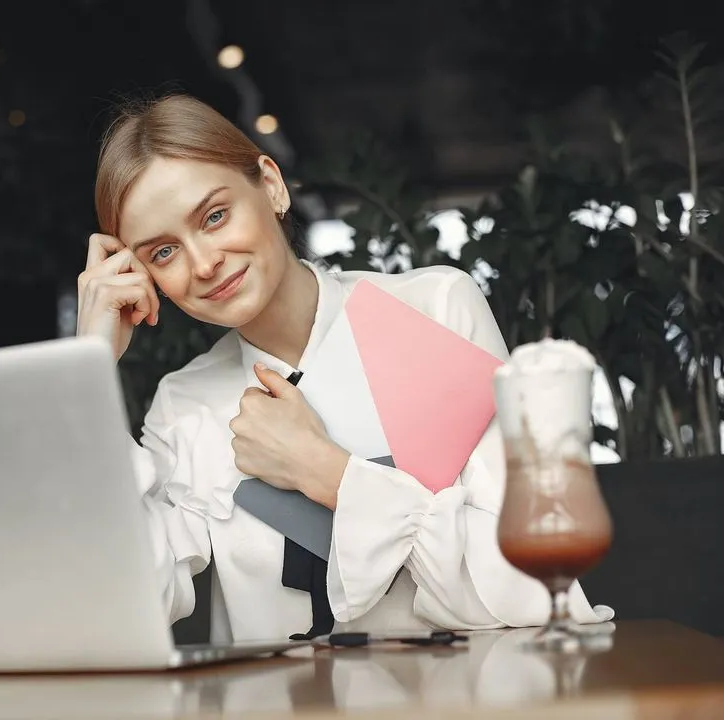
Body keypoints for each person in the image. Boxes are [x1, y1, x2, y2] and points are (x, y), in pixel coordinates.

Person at [76, 93, 613, 642]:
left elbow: (530, 587)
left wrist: (325, 472)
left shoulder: (432, 309)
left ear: (271, 185)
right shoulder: (185, 403)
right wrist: (88, 373)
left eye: (215, 216)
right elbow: (133, 607)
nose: (204, 263)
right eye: (163, 253)